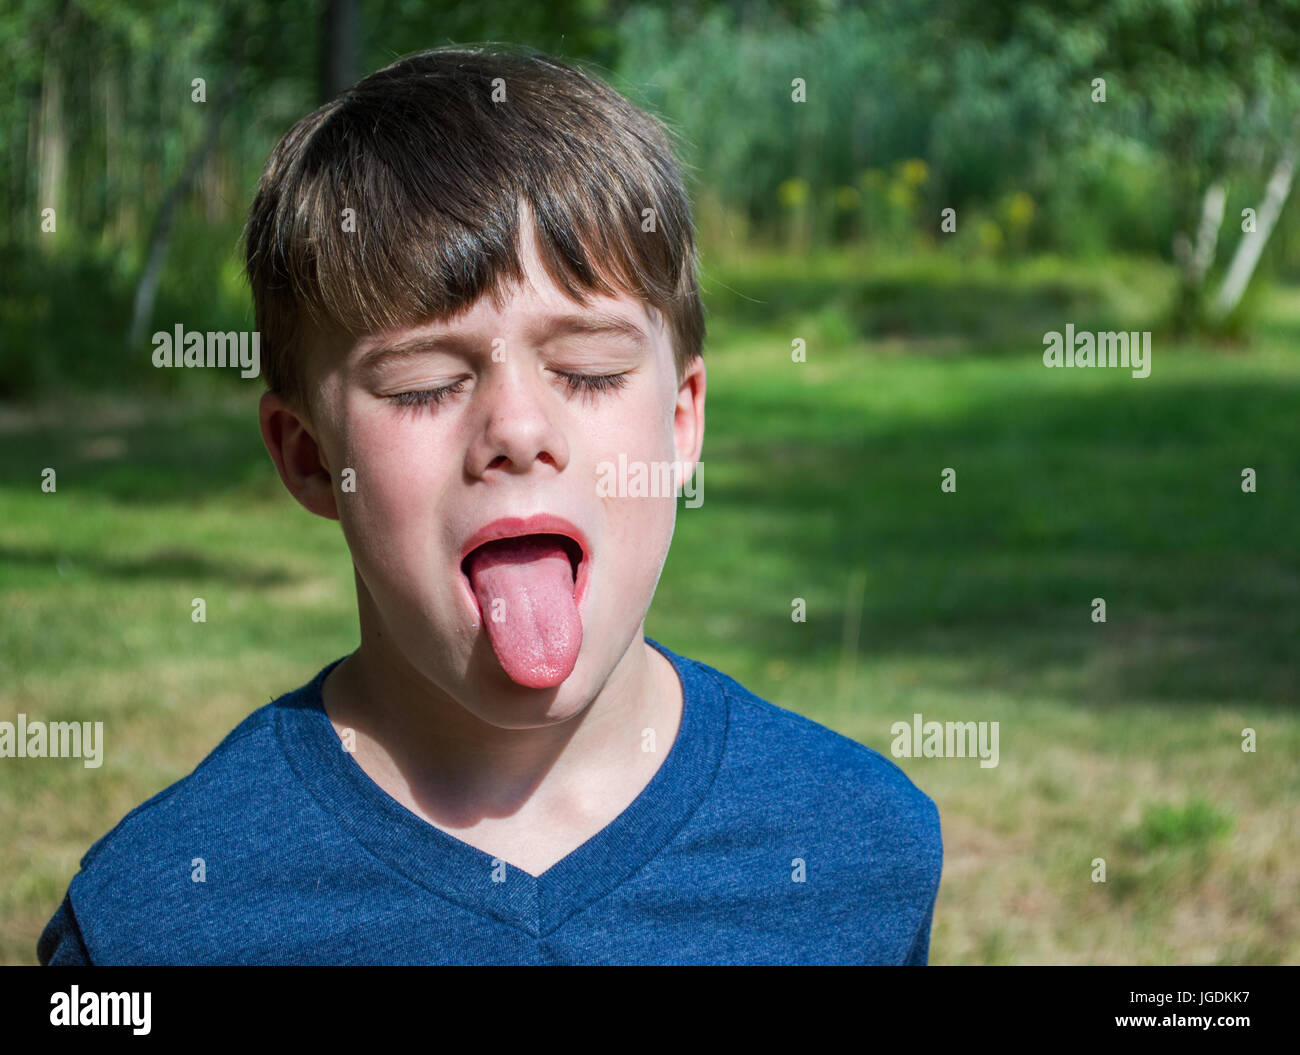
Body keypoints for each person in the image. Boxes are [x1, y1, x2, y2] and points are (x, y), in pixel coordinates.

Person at [38, 43, 941, 965]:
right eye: (425, 382)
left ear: (681, 424)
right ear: (309, 457)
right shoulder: (160, 917)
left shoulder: (855, 850)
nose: (516, 428)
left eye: (588, 368)